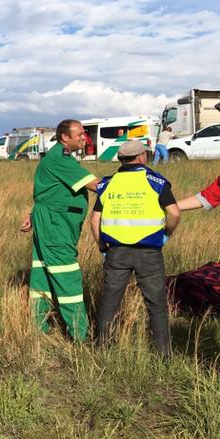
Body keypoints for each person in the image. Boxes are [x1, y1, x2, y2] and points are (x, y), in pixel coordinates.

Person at [90, 140, 180, 357]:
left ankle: (103, 349)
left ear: (121, 160)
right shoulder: (156, 181)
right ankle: (162, 355)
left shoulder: (107, 184)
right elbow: (175, 213)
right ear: (142, 157)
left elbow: (94, 220)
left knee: (110, 301)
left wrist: (101, 244)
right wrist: (165, 235)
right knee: (156, 303)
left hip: (116, 252)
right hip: (149, 252)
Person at [20, 119, 100, 341]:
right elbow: (96, 185)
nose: (85, 138)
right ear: (65, 137)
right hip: (55, 226)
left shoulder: (59, 157)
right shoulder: (60, 159)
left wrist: (32, 214)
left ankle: (40, 328)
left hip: (51, 222)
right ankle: (80, 334)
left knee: (42, 276)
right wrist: (129, 181)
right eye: (81, 135)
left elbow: (46, 192)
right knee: (67, 276)